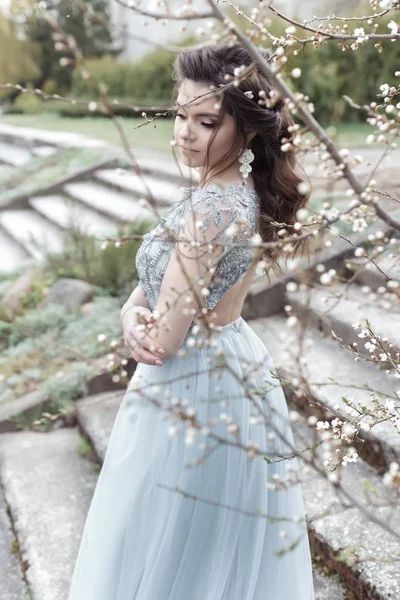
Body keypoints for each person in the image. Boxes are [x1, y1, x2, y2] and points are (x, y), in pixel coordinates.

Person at [67, 43, 315, 599]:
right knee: (201, 546)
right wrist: (131, 309)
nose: (184, 132)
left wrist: (136, 327)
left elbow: (164, 339)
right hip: (227, 365)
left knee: (165, 538)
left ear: (248, 130)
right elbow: (158, 284)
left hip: (193, 386)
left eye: (205, 121)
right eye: (180, 114)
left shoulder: (211, 211)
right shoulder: (225, 191)